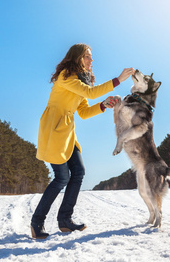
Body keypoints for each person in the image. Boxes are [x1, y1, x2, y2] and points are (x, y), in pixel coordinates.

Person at [31, 43, 135, 239]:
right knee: (62, 177)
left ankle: (65, 221)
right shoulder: (66, 77)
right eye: (87, 56)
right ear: (77, 57)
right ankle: (37, 222)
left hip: (67, 131)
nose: (91, 60)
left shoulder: (82, 82)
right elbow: (89, 93)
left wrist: (103, 105)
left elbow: (84, 112)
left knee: (78, 171)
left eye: (91, 56)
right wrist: (118, 80)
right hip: (53, 129)